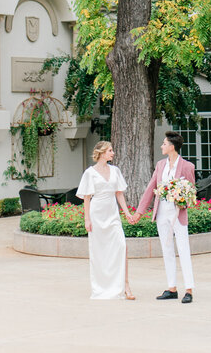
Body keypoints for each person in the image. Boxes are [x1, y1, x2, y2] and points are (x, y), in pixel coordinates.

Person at [132, 130, 196, 304]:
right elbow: (150, 188)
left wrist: (182, 199)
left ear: (172, 146)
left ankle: (188, 289)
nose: (162, 146)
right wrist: (139, 211)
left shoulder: (187, 166)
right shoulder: (160, 165)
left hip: (178, 213)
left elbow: (191, 191)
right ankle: (171, 288)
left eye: (164, 144)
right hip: (161, 213)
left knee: (183, 249)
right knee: (166, 249)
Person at [78, 140, 136, 300]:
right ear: (102, 153)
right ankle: (102, 286)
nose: (113, 153)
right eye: (110, 150)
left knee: (122, 246)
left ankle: (125, 285)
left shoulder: (115, 170)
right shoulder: (90, 173)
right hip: (97, 214)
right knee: (99, 252)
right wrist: (87, 219)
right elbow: (87, 197)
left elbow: (119, 194)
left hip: (112, 214)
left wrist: (127, 213)